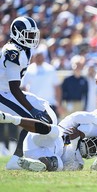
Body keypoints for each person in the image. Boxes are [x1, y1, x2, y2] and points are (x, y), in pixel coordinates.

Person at [0, 16, 57, 170]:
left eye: (33, 34)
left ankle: (31, 153)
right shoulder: (13, 51)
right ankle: (17, 159)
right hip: (3, 93)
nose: (33, 38)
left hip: (9, 92)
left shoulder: (25, 49)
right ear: (17, 34)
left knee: (46, 111)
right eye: (29, 34)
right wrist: (32, 110)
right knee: (32, 117)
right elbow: (14, 87)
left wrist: (35, 108)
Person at [0, 111, 97, 172]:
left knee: (58, 165)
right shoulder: (70, 126)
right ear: (88, 138)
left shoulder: (79, 161)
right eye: (91, 145)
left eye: (93, 150)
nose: (90, 148)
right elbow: (77, 116)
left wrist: (74, 141)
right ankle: (12, 119)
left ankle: (28, 164)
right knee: (55, 131)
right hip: (38, 139)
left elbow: (70, 167)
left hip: (38, 155)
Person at [21, 44, 63, 119]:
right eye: (37, 55)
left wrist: (58, 104)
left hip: (49, 104)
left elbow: (57, 87)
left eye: (41, 55)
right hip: (34, 105)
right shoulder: (29, 69)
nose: (39, 57)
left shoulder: (50, 69)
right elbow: (24, 88)